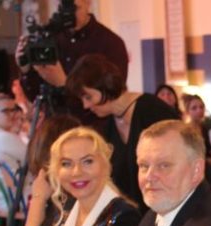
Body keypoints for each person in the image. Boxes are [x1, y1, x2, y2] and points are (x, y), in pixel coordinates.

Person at [65, 54, 180, 210]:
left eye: (88, 97)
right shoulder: (107, 125)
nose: (85, 105)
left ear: (104, 86)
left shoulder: (153, 110)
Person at [17, 0, 128, 124]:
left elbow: (112, 97)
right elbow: (35, 95)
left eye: (74, 8)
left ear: (88, 3)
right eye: (62, 8)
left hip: (92, 126)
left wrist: (64, 84)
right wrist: (25, 69)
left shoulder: (111, 43)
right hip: (55, 124)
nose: (68, 14)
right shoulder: (51, 38)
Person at [0, 93, 27, 218]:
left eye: (14, 110)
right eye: (6, 111)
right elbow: (35, 159)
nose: (13, 114)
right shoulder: (2, 138)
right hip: (15, 201)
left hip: (1, 200)